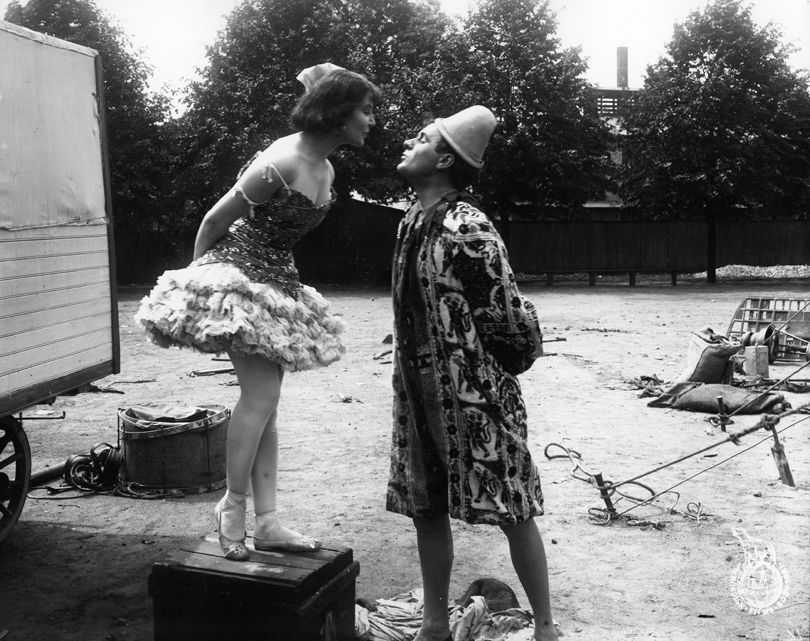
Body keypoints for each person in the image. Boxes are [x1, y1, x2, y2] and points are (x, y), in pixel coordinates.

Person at [135, 64, 380, 561]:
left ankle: (267, 522)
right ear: (338, 114)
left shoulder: (326, 168)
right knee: (261, 396)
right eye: (366, 110)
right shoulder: (281, 161)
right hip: (238, 277)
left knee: (268, 403)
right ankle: (232, 508)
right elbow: (215, 220)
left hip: (276, 281)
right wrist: (202, 289)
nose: (372, 121)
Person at [387, 106, 559, 641]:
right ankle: (434, 624)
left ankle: (546, 629)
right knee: (426, 506)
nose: (407, 143)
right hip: (418, 392)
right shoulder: (411, 220)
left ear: (444, 159)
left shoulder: (469, 227)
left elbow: (509, 321)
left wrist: (492, 370)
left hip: (477, 395)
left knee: (512, 506)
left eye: (420, 139)